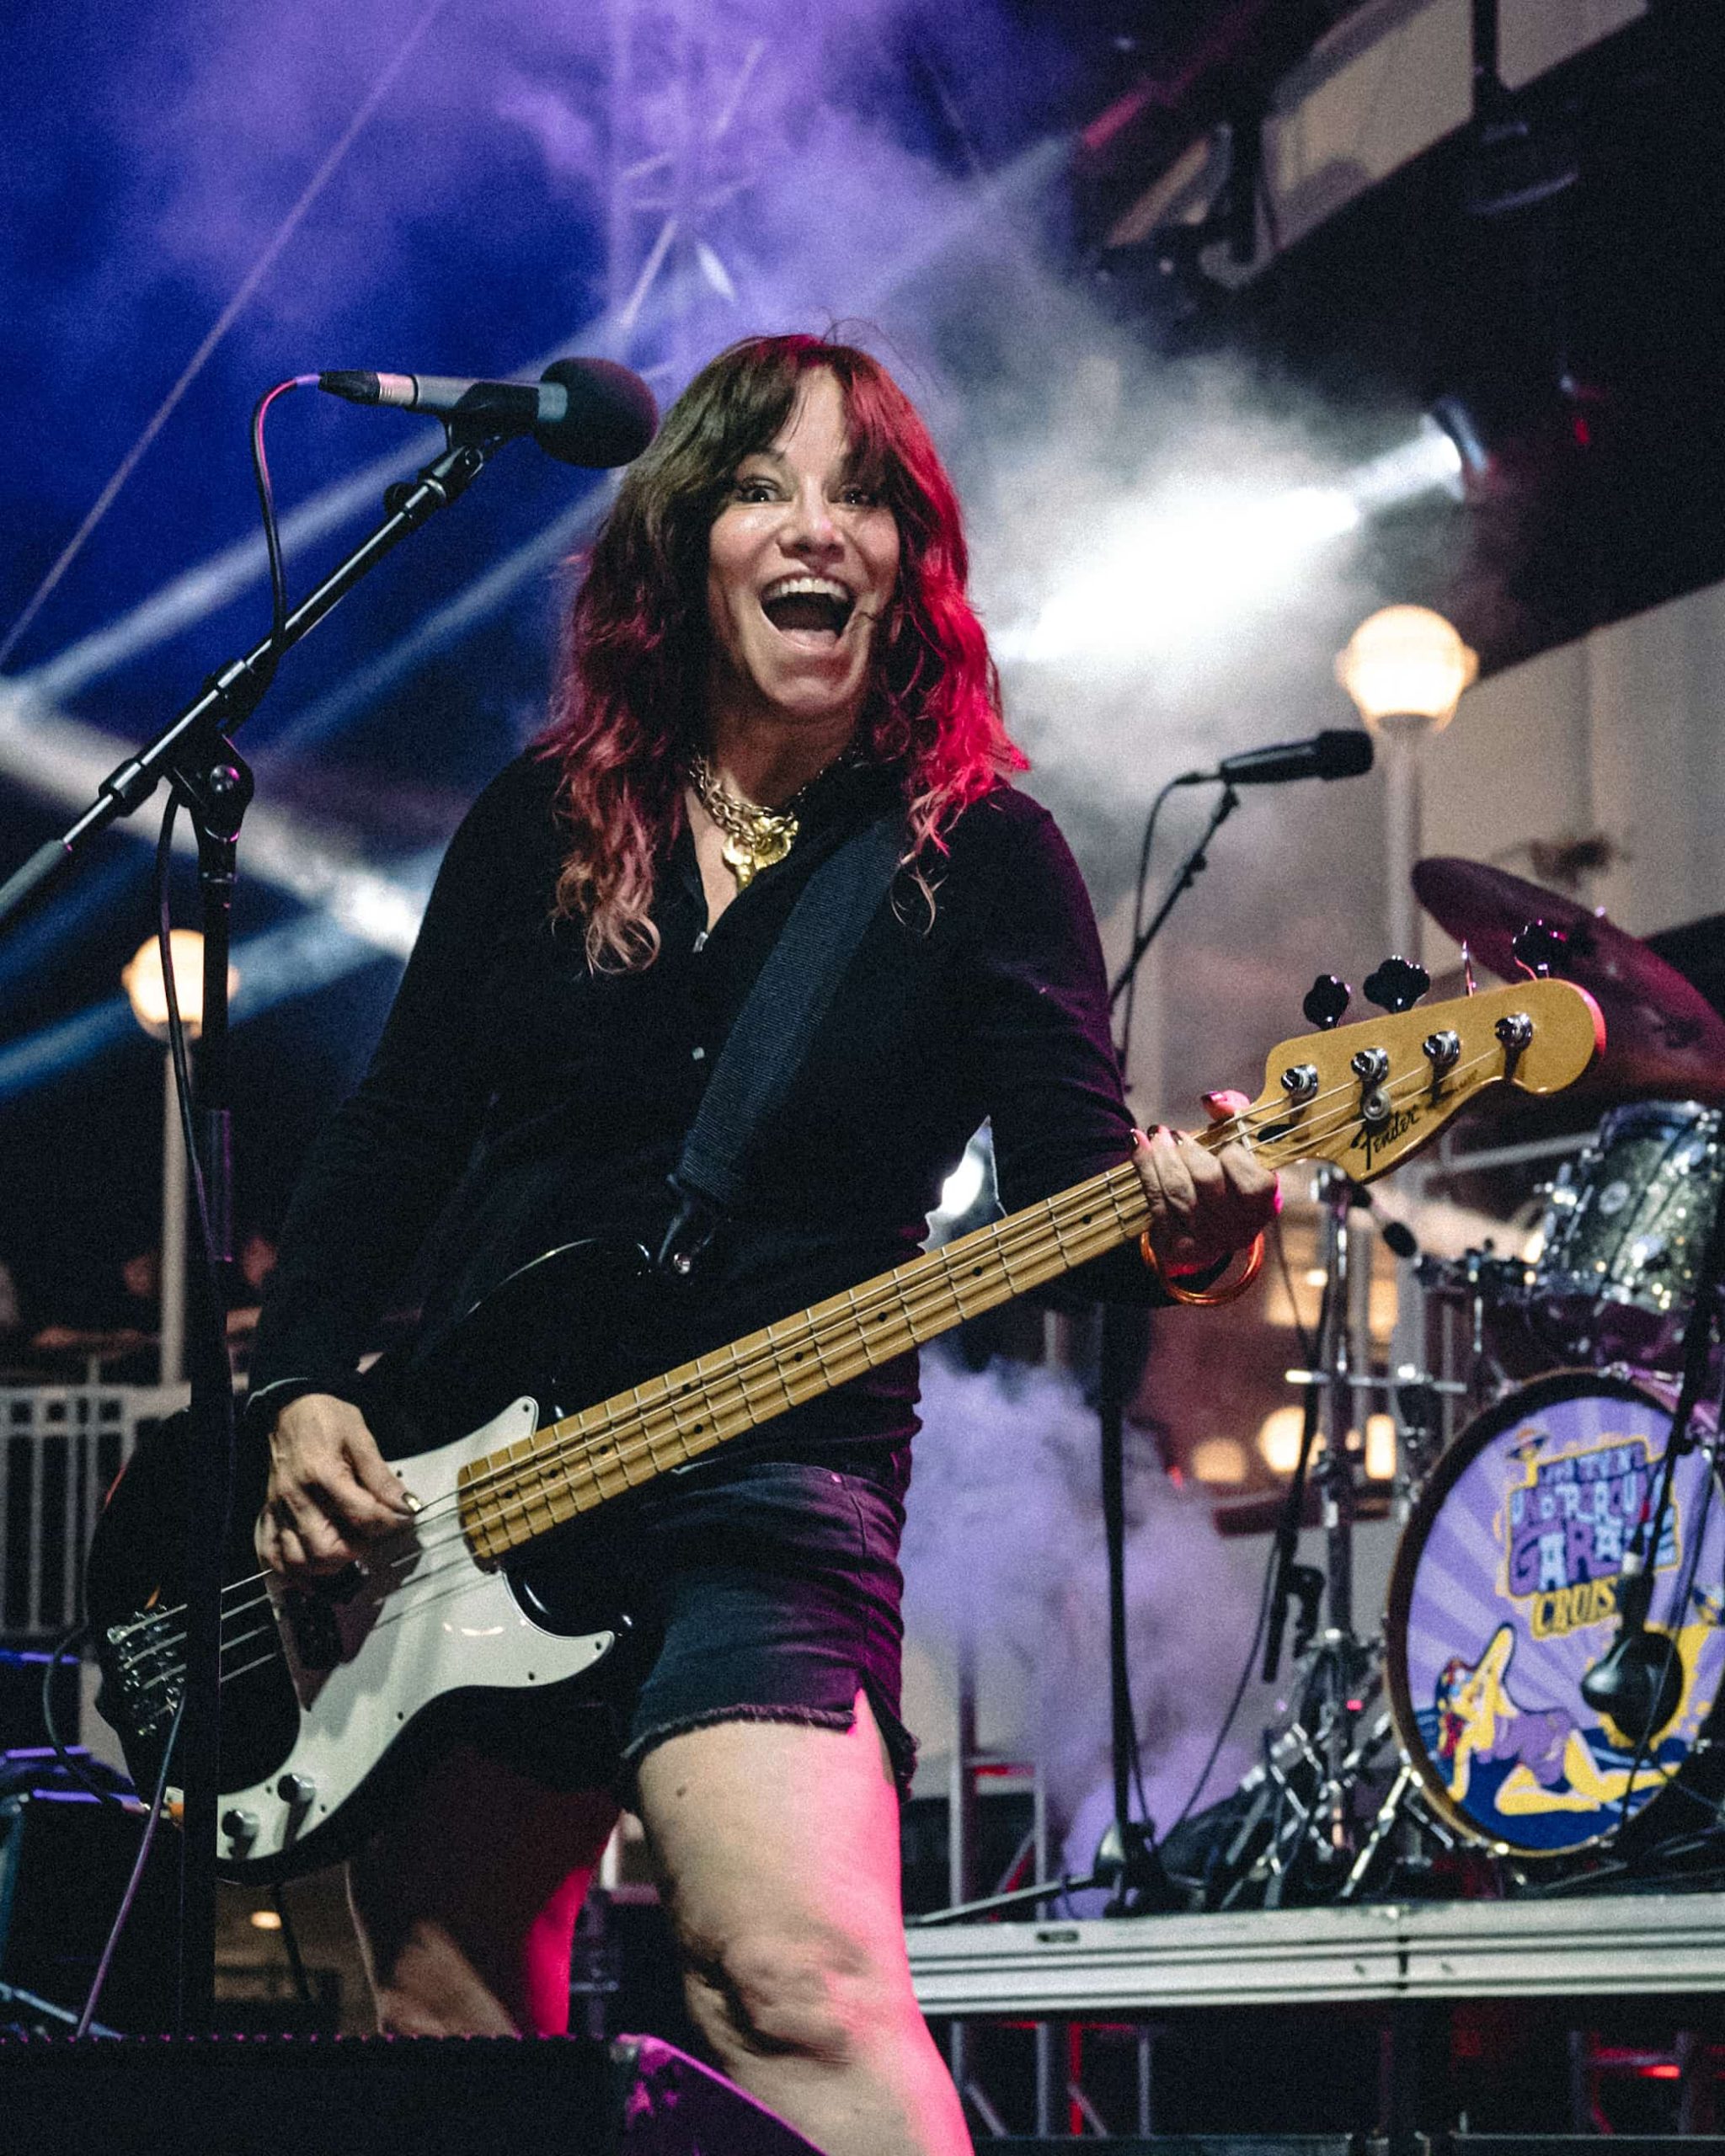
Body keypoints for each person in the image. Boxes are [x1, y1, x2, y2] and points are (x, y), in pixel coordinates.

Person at [245, 334, 1277, 2155]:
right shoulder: (546, 823)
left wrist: (1199, 1228)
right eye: (766, 485)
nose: (823, 527)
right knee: (446, 2003)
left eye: (866, 494)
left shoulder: (980, 856)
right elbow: (395, 1130)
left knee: (790, 1980)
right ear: (683, 549)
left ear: (913, 563)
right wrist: (301, 1383)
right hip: (474, 1488)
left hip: (772, 1481)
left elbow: (1079, 1199)